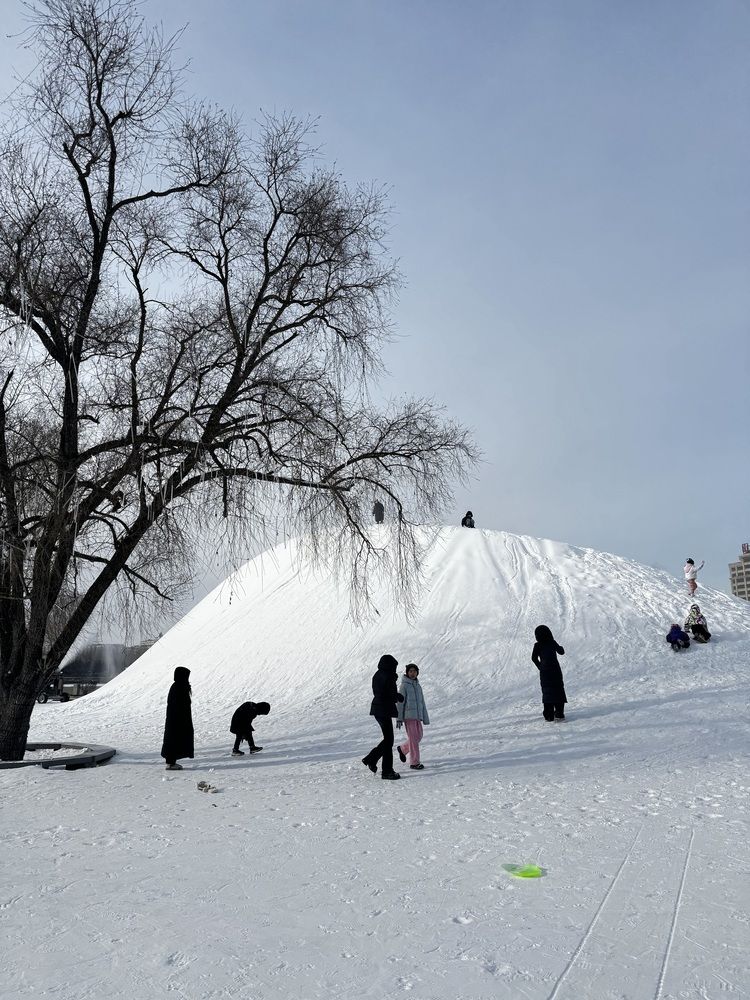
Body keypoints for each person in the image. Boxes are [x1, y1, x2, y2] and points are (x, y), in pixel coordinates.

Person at [362, 654, 404, 780]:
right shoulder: (389, 675)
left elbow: (380, 692)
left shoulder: (377, 674)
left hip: (378, 709)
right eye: (394, 666)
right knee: (389, 740)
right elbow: (389, 693)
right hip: (383, 709)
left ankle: (371, 759)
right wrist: (398, 697)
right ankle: (386, 771)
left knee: (388, 740)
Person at [396, 663, 430, 770]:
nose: (412, 673)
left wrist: (424, 717)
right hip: (408, 716)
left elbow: (422, 703)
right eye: (410, 671)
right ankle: (414, 762)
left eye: (414, 671)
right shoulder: (404, 685)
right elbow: (400, 703)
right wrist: (399, 718)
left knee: (418, 736)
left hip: (417, 716)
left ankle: (403, 749)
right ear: (407, 672)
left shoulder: (418, 686)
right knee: (414, 739)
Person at [161, 666, 194, 770]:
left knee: (175, 740)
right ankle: (170, 763)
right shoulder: (178, 687)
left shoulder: (179, 686)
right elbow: (178, 705)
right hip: (177, 721)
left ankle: (171, 762)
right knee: (174, 740)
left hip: (178, 720)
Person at [531, 625, 567, 721]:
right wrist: (560, 647)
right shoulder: (552, 642)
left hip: (545, 672)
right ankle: (559, 713)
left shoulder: (537, 645)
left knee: (547, 692)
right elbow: (561, 652)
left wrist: (540, 666)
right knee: (558, 690)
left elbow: (533, 658)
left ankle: (549, 715)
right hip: (556, 670)